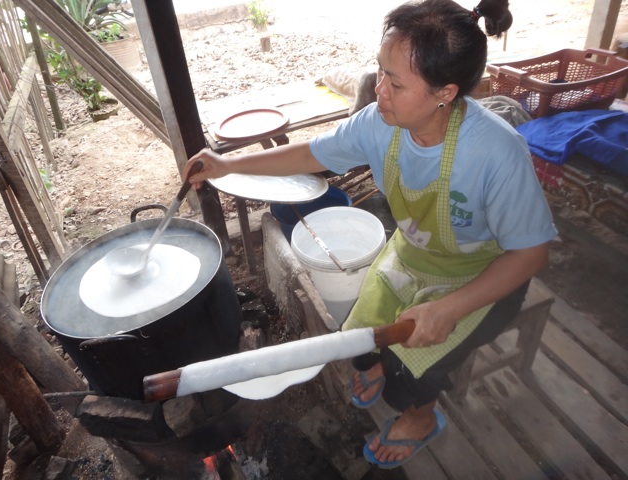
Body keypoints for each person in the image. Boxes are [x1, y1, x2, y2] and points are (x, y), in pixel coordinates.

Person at [184, 0, 557, 469]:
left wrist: (449, 308)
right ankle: (383, 365)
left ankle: (421, 416)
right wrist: (227, 164)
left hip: (484, 275)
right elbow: (310, 156)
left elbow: (530, 253)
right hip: (416, 258)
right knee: (358, 341)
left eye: (396, 83)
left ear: (445, 92)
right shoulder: (380, 124)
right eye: (380, 71)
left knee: (415, 371)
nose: (378, 89)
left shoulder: (497, 152)